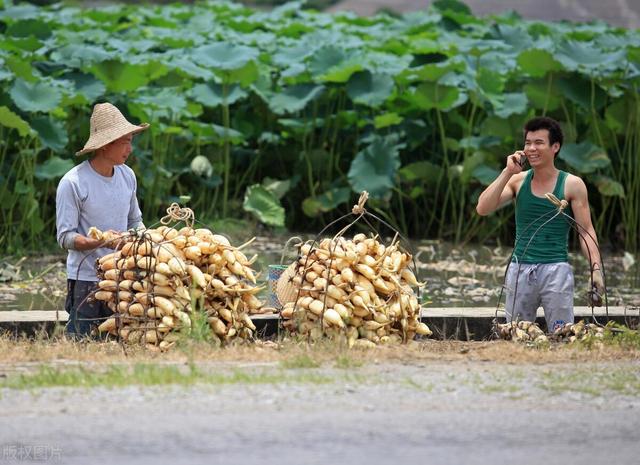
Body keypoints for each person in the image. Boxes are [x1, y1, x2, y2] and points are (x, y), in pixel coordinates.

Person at [476, 116, 605, 332]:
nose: (531, 149)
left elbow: (586, 231)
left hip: (556, 270)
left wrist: (596, 269)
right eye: (528, 143)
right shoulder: (518, 181)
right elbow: (482, 208)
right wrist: (508, 171)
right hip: (519, 269)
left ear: (555, 147)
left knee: (563, 334)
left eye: (539, 143)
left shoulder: (572, 184)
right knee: (516, 334)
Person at [56, 102, 148, 338]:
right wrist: (101, 242)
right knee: (82, 339)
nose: (130, 148)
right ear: (106, 145)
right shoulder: (74, 182)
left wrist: (144, 240)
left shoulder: (127, 176)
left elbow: (135, 221)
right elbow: (65, 237)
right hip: (85, 277)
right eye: (125, 142)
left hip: (121, 276)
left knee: (118, 339)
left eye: (131, 141)